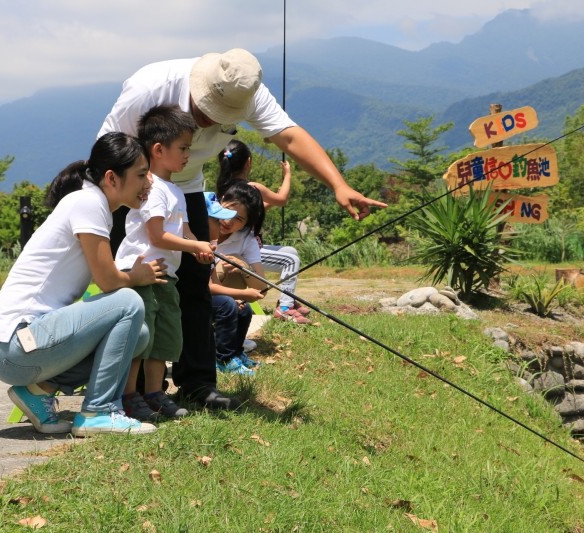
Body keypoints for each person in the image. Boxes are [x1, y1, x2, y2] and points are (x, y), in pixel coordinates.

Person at [99, 48, 386, 410]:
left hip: (185, 190)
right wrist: (110, 210)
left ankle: (197, 384)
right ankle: (130, 392)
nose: (209, 123)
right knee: (136, 290)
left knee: (195, 288)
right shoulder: (150, 88)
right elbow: (107, 153)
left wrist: (338, 185)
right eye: (206, 112)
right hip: (132, 191)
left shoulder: (246, 92)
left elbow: (290, 137)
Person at [0, 132, 166, 437]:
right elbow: (108, 281)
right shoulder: (88, 203)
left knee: (139, 334)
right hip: (14, 345)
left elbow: (104, 278)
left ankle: (38, 391)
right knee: (129, 302)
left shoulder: (90, 204)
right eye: (141, 174)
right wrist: (136, 276)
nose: (148, 184)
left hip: (21, 347)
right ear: (112, 178)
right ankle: (99, 411)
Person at [114, 105, 214, 422]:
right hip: (143, 274)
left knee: (165, 338)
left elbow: (183, 231)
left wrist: (201, 247)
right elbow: (157, 235)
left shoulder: (175, 190)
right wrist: (193, 244)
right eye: (183, 148)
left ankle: (155, 394)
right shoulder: (152, 188)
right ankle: (129, 397)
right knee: (141, 337)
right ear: (159, 150)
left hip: (166, 276)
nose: (188, 155)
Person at [216, 139, 311, 325]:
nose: (229, 220)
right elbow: (282, 199)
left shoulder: (223, 189)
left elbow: (249, 214)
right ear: (248, 162)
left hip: (243, 246)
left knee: (291, 251)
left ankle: (288, 299)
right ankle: (285, 307)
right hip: (238, 250)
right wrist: (287, 175)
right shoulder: (252, 188)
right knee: (290, 260)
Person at [208, 182, 267, 375]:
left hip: (218, 291)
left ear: (247, 224)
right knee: (228, 304)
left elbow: (261, 288)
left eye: (239, 219)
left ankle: (235, 353)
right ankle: (223, 359)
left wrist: (244, 267)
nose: (228, 221)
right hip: (201, 289)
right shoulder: (203, 226)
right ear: (221, 200)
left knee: (244, 309)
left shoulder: (246, 239)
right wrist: (238, 295)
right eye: (228, 212)